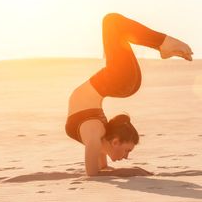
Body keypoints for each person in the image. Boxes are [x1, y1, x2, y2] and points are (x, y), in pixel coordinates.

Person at [65, 12, 193, 176]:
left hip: (120, 82)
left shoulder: (96, 136)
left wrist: (131, 172)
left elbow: (95, 173)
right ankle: (163, 44)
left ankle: (163, 44)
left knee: (114, 24)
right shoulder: (98, 137)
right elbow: (98, 173)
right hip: (120, 82)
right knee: (113, 24)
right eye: (127, 151)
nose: (126, 156)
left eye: (127, 151)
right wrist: (133, 171)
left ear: (115, 142)